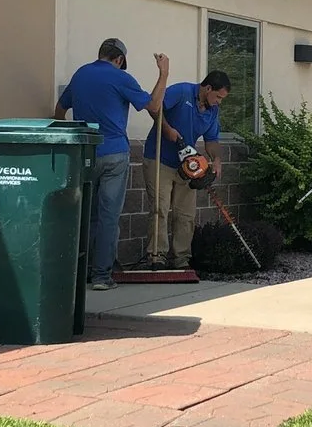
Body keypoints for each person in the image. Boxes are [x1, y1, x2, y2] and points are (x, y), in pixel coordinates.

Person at [54, 38, 170, 290]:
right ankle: (101, 276)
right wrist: (163, 74)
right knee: (108, 216)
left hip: (85, 154)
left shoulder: (81, 74)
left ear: (101, 54)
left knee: (87, 214)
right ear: (119, 60)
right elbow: (153, 105)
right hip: (115, 153)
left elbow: (59, 111)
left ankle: (81, 272)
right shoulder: (121, 78)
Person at [142, 71, 230, 270]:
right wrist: (167, 129)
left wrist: (216, 159)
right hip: (159, 159)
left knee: (185, 214)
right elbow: (154, 108)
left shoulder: (212, 111)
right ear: (208, 89)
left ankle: (181, 259)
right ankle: (157, 257)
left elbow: (212, 140)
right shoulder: (181, 92)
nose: (219, 102)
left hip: (187, 166)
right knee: (160, 209)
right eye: (218, 97)